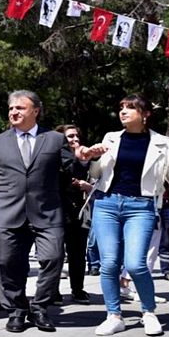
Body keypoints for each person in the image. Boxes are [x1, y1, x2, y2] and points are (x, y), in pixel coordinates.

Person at [0, 90, 81, 333]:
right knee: (5, 263)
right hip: (8, 211)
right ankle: (16, 310)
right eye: (11, 108)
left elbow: (72, 171)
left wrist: (81, 159)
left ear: (36, 110)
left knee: (53, 259)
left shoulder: (55, 139)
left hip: (47, 212)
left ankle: (40, 308)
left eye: (20, 108)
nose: (14, 112)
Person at [87, 94, 169, 336]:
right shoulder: (111, 138)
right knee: (108, 263)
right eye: (121, 107)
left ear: (145, 114)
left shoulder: (163, 143)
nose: (123, 112)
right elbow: (96, 173)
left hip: (141, 206)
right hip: (107, 203)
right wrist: (93, 156)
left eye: (130, 108)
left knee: (135, 263)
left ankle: (148, 312)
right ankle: (114, 315)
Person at [55, 124, 92, 305]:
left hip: (78, 211)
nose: (75, 140)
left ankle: (78, 289)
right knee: (54, 253)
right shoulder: (52, 158)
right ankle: (52, 291)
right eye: (70, 136)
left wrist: (86, 184)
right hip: (55, 211)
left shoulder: (86, 158)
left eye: (77, 136)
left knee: (78, 253)